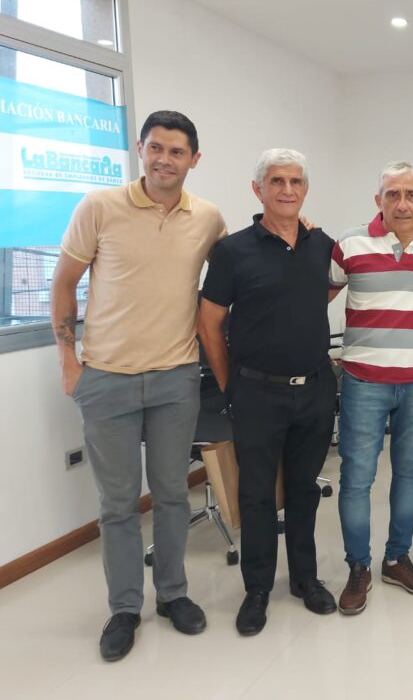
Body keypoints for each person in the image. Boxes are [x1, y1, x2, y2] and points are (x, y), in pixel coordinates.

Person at [50, 111, 226, 661]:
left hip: (176, 377)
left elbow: (239, 268)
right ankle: (125, 608)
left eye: (177, 151)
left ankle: (173, 594)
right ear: (141, 149)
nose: (164, 160)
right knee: (119, 503)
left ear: (194, 159)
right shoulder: (100, 207)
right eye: (156, 148)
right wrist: (68, 359)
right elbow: (64, 281)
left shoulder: (208, 219)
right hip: (107, 379)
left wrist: (298, 225)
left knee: (172, 493)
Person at [198, 149, 341, 635]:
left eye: (295, 181)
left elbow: (323, 293)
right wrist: (230, 386)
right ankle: (257, 589)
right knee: (257, 495)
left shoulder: (323, 245)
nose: (287, 189)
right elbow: (209, 324)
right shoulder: (232, 251)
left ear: (305, 189)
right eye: (276, 181)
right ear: (257, 189)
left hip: (316, 389)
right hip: (256, 393)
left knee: (304, 489)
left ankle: (305, 579)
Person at [330, 161, 413, 615]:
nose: (402, 203)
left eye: (410, 194)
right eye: (392, 194)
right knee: (356, 478)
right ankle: (358, 567)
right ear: (378, 200)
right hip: (363, 382)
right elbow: (312, 296)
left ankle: (397, 559)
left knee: (409, 472)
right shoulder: (349, 244)